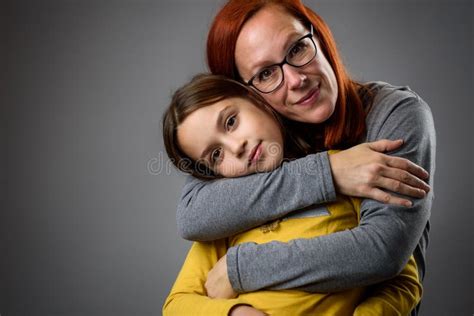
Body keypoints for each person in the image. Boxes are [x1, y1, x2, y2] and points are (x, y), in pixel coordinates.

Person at [175, 1, 436, 315]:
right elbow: (193, 214)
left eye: (297, 49)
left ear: (319, 36)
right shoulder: (251, 151)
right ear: (247, 93)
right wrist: (331, 172)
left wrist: (241, 269)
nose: (296, 80)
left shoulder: (395, 113)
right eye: (266, 73)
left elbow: (384, 251)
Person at [162, 74, 422, 316]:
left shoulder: (348, 170)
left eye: (231, 122)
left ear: (256, 99)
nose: (236, 147)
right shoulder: (225, 221)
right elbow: (176, 304)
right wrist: (235, 313)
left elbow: (402, 277)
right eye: (216, 155)